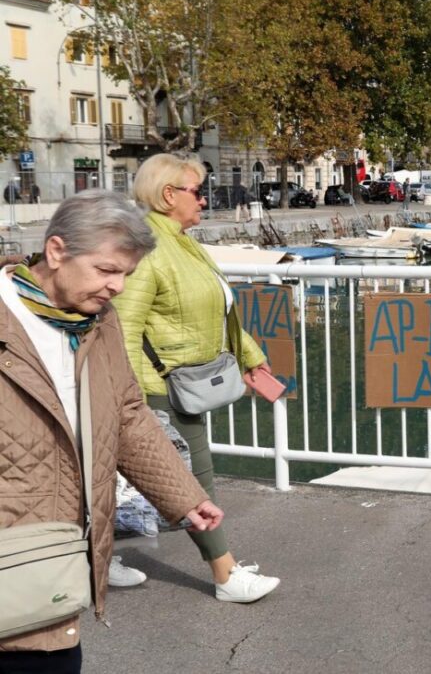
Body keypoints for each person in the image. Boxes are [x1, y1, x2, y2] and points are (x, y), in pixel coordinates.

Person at [0, 190, 225, 672]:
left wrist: (183, 496)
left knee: (50, 657)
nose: (117, 286)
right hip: (13, 547)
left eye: (126, 274)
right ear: (57, 251)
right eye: (106, 270)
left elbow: (126, 413)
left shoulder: (99, 322)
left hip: (55, 565)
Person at [112, 153, 280, 604]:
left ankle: (97, 559)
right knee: (196, 481)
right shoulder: (147, 249)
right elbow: (124, 329)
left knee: (116, 479)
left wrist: (248, 353)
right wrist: (130, 400)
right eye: (197, 191)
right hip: (158, 388)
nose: (205, 200)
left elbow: (217, 309)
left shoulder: (184, 243)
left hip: (186, 382)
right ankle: (225, 575)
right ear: (169, 195)